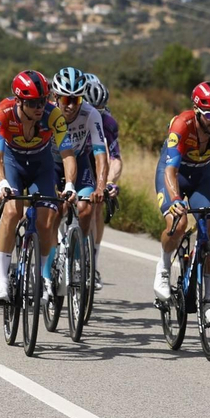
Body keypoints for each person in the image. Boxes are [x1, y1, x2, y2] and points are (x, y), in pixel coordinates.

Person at [151, 81, 210, 318]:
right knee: (179, 224)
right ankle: (164, 267)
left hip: (202, 176)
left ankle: (209, 298)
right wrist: (176, 199)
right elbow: (170, 170)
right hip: (173, 174)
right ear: (196, 110)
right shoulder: (181, 124)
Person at [0, 70, 75, 305]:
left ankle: (43, 277)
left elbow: (67, 153)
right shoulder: (2, 112)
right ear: (18, 101)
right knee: (12, 212)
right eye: (33, 102)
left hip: (41, 166)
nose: (40, 107)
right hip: (12, 164)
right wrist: (2, 182)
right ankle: (2, 280)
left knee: (46, 221)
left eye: (43, 100)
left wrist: (69, 184)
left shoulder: (53, 115)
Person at [50, 66, 107, 295]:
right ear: (56, 97)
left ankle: (77, 257)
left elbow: (100, 154)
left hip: (80, 163)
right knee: (54, 210)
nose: (71, 105)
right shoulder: (48, 113)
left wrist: (100, 187)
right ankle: (49, 260)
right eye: (66, 99)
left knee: (86, 208)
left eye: (76, 99)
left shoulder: (91, 114)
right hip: (51, 164)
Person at [85, 75, 123, 284]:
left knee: (97, 205)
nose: (95, 116)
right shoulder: (67, 114)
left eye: (100, 111)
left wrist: (109, 182)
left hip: (95, 162)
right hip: (70, 159)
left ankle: (93, 263)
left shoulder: (108, 122)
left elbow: (115, 158)